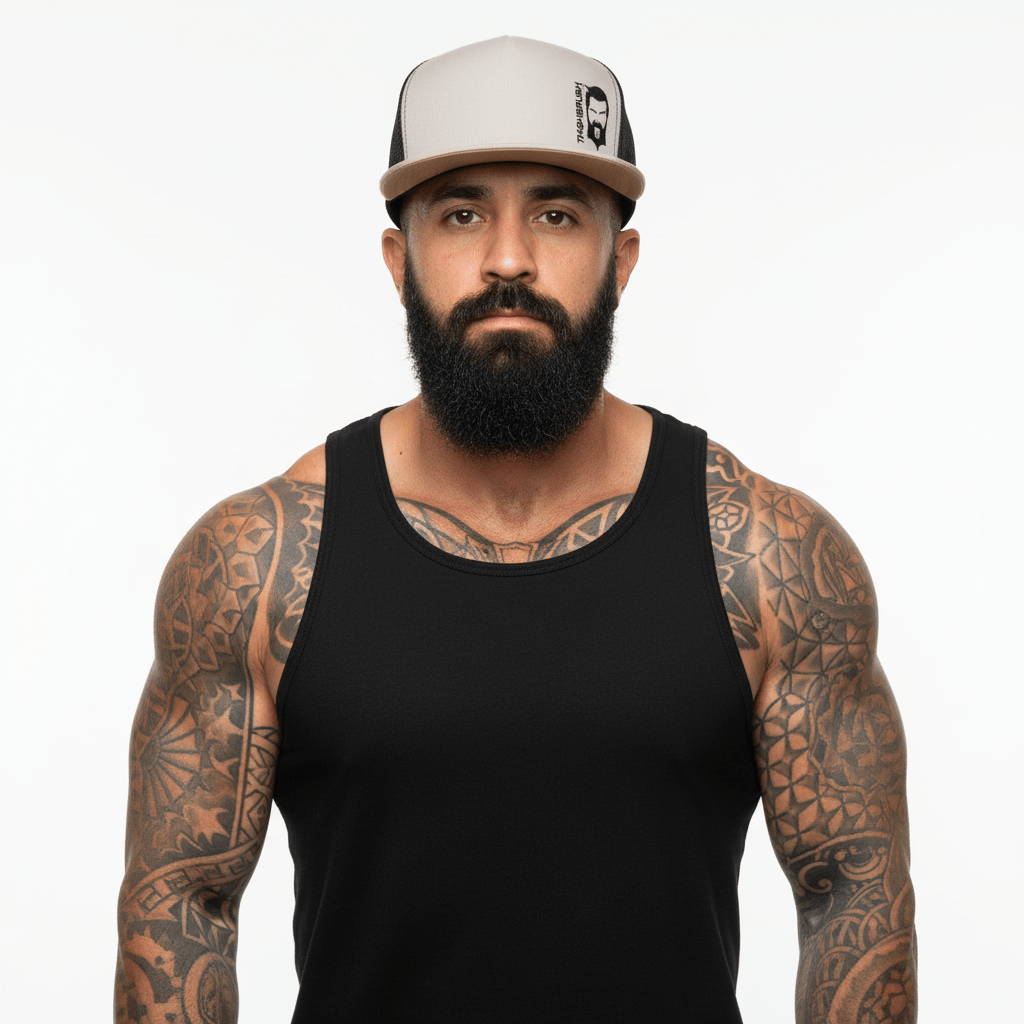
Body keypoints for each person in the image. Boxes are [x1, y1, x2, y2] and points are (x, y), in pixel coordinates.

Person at [115, 35, 916, 1024]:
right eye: (461, 214)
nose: (508, 259)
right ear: (398, 259)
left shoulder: (769, 556)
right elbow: (182, 907)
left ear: (620, 260)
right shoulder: (258, 563)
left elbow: (852, 895)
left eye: (556, 213)